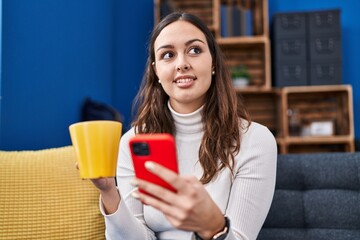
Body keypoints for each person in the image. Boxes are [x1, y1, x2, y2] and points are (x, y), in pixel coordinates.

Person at [89, 12, 277, 240]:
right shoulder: (133, 142)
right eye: (168, 55)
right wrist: (109, 192)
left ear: (213, 62)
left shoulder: (255, 140)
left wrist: (213, 226)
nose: (182, 64)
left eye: (195, 50)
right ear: (156, 71)